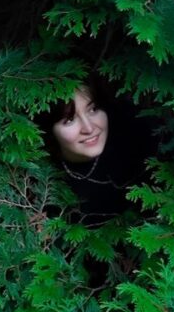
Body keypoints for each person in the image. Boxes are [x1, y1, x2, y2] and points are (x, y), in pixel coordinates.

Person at [37, 82, 154, 226]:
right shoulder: (41, 181)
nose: (89, 128)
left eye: (93, 109)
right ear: (48, 129)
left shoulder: (136, 136)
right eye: (69, 120)